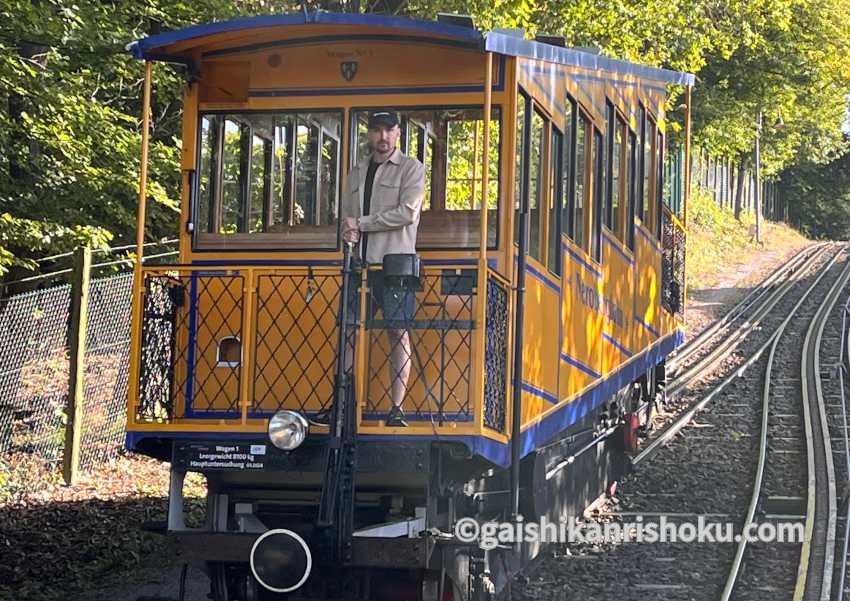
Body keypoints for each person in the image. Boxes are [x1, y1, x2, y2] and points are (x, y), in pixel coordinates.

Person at [341, 110, 425, 427]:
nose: (383, 137)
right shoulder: (356, 172)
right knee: (347, 331)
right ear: (368, 134)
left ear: (398, 133)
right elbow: (346, 217)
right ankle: (344, 404)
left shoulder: (411, 169)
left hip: (395, 267)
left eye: (388, 131)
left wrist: (361, 224)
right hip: (358, 266)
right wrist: (348, 231)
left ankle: (396, 408)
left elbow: (407, 213)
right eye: (376, 131)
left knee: (397, 332)